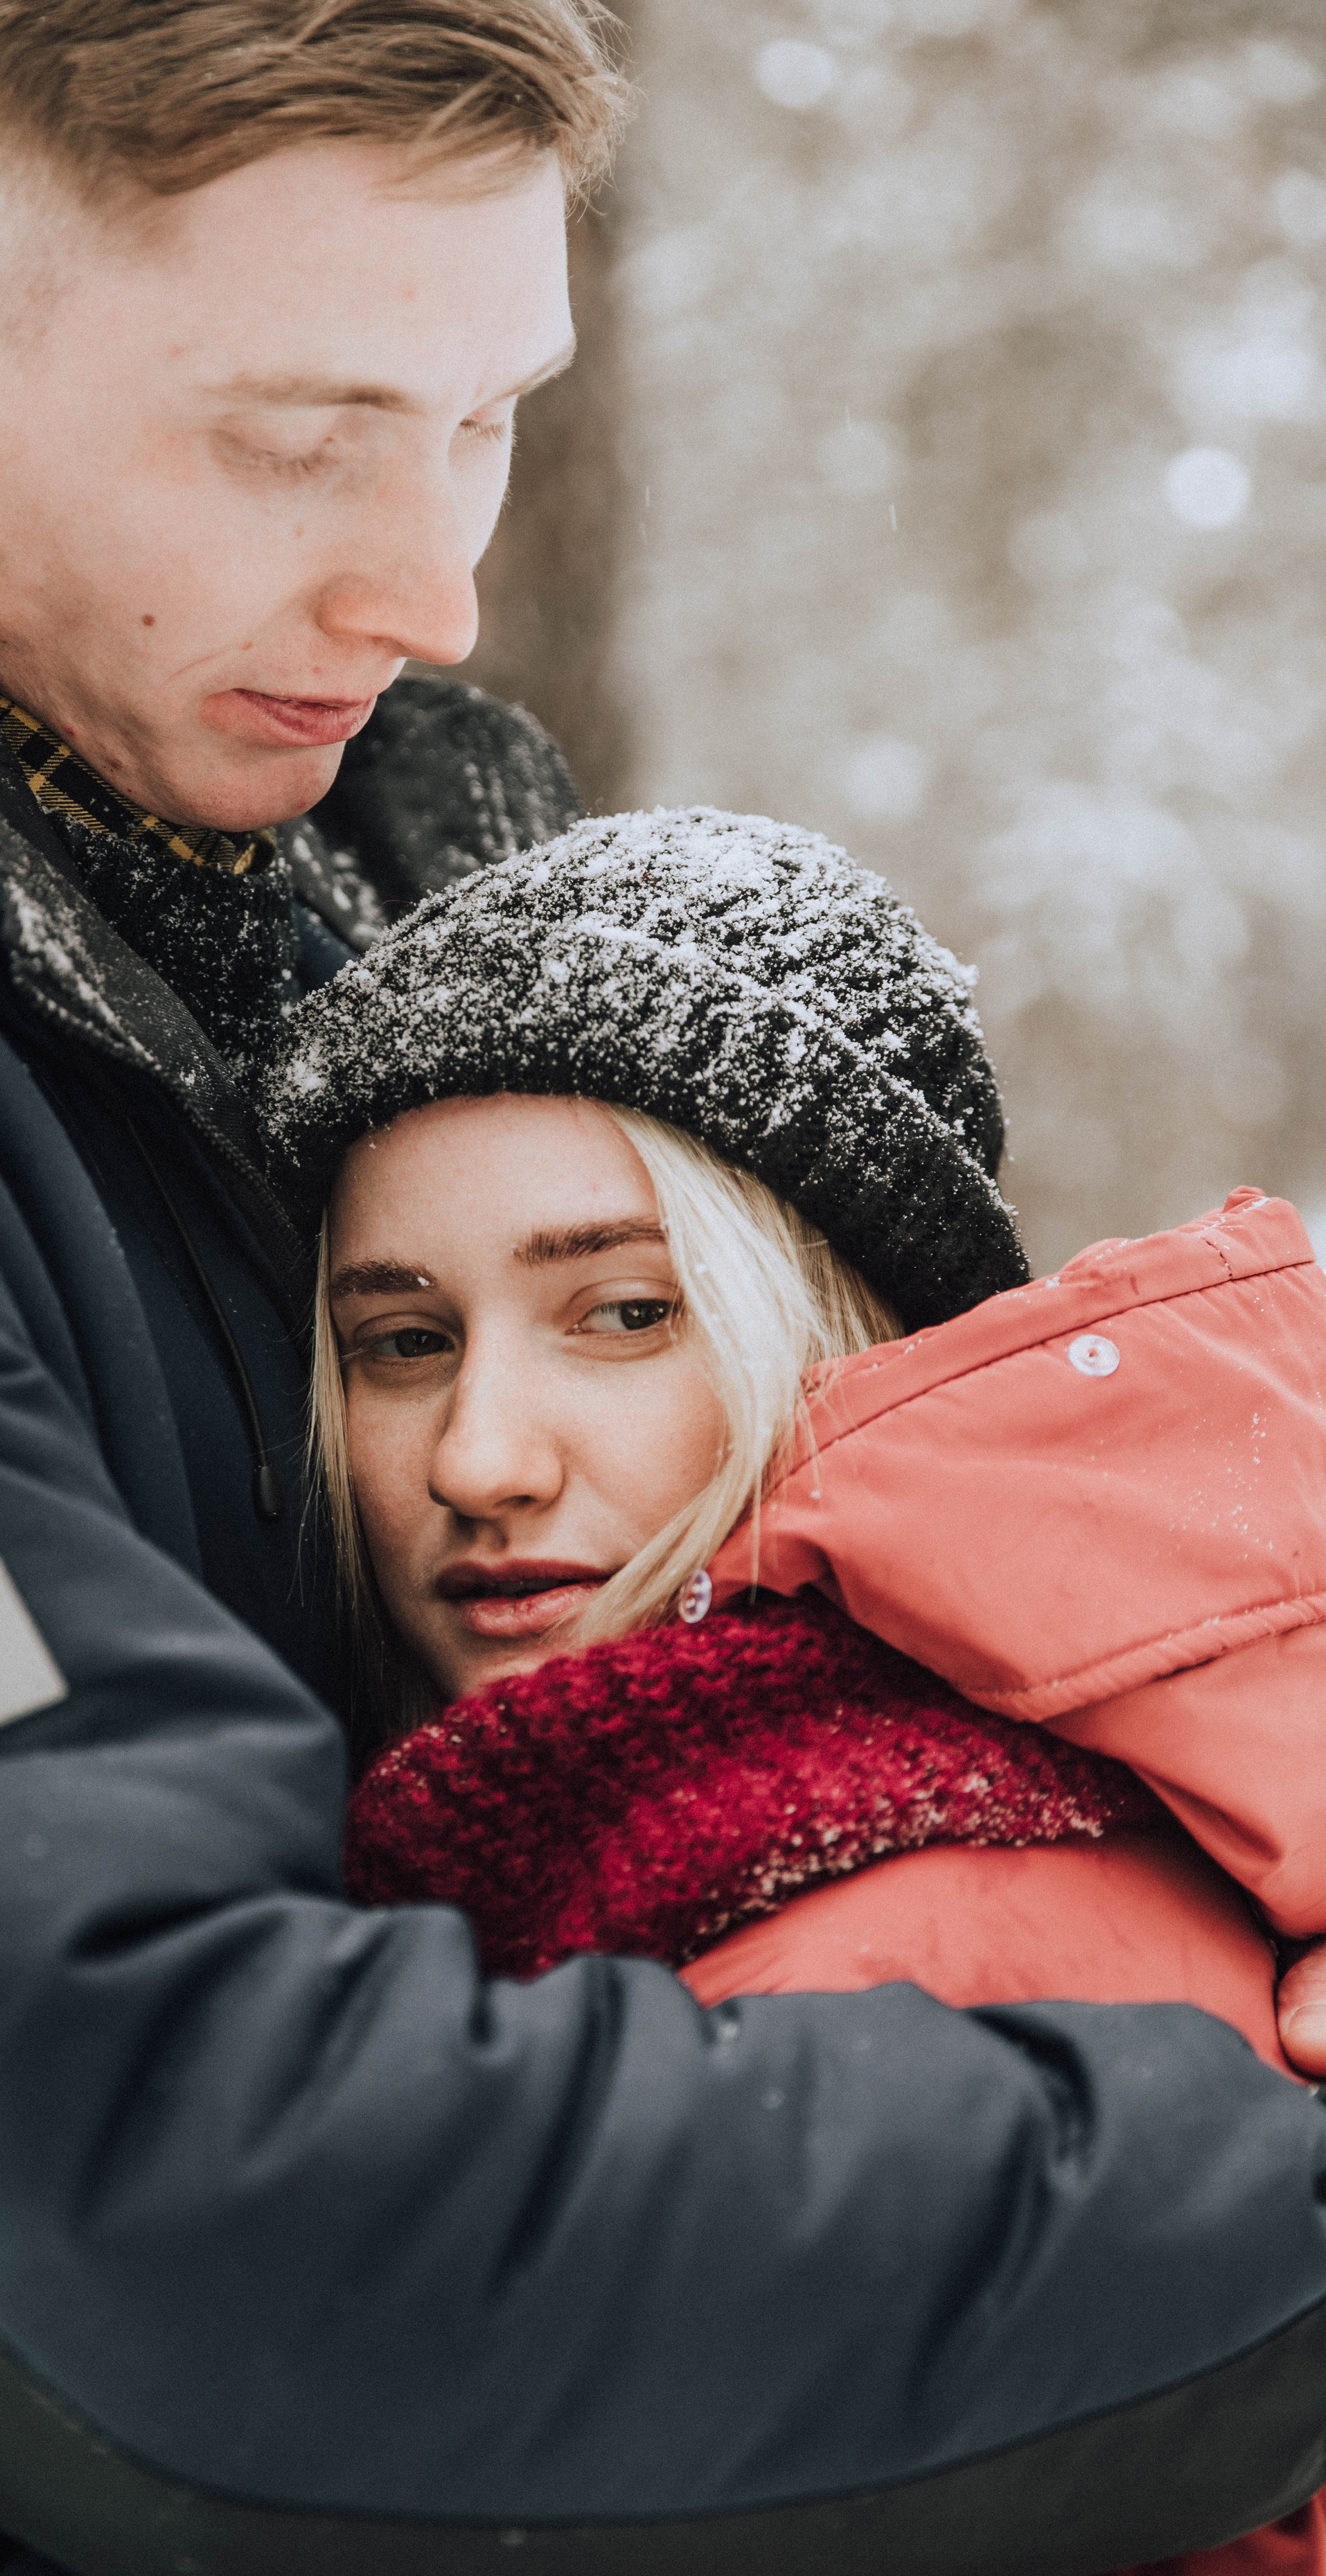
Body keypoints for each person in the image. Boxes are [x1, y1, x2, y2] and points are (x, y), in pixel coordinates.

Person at [0, 0, 1325, 2570]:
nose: (433, 588)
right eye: (296, 436)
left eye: (484, 422)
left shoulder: (366, 881)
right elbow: (158, 2219)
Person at [265, 804, 1326, 2571]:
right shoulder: (616, 1866)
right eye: (401, 1344)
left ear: (837, 1332)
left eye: (621, 1313)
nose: (480, 1457)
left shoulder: (884, 1954)